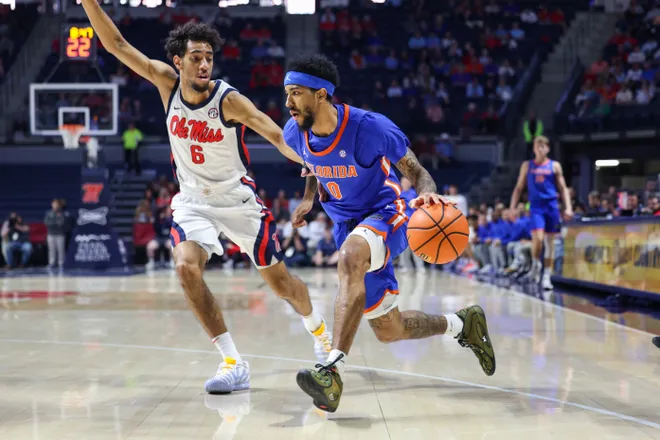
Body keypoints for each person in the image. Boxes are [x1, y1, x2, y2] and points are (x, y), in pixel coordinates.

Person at [80, 1, 332, 394]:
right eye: (196, 57)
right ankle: (233, 362)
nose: (204, 65)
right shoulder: (165, 83)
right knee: (185, 268)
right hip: (193, 200)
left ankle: (319, 332)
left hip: (237, 200)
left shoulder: (227, 100)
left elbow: (278, 135)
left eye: (209, 58)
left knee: (282, 285)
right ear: (178, 62)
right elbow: (116, 45)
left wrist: (318, 163)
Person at [285, 54, 495, 413]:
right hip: (346, 225)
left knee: (351, 256)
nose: (288, 102)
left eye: (296, 93)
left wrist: (427, 191)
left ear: (321, 95)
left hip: (385, 213)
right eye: (287, 93)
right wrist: (308, 201)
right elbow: (312, 167)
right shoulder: (296, 131)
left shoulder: (370, 128)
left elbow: (415, 169)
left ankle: (332, 371)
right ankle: (462, 324)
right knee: (389, 329)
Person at [509, 136, 572, 290]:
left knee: (549, 243)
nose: (541, 148)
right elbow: (518, 188)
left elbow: (563, 188)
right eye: (538, 146)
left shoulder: (555, 166)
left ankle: (546, 276)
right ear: (534, 149)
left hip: (551, 206)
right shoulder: (527, 165)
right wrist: (512, 207)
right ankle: (536, 264)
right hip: (536, 206)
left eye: (544, 146)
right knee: (538, 238)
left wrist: (568, 207)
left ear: (548, 149)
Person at [398, 176, 425, 273]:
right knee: (403, 248)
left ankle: (420, 266)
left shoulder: (414, 194)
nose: (405, 183)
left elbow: (419, 208)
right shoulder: (398, 193)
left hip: (413, 224)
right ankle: (405, 266)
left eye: (407, 182)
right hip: (402, 224)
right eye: (403, 182)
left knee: (416, 246)